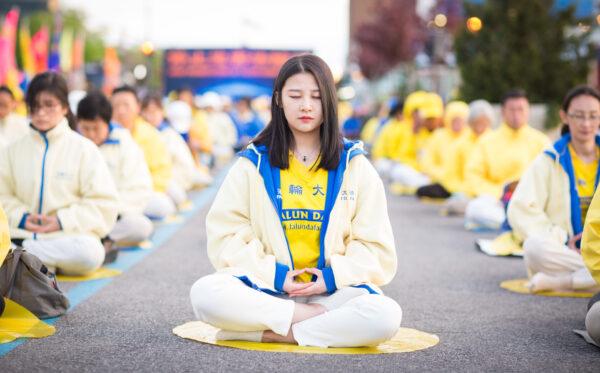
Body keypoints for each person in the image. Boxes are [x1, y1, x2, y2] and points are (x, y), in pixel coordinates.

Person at [189, 54, 401, 348]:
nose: (306, 105)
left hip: (334, 293)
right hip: (266, 288)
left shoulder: (354, 165)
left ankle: (274, 332)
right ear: (278, 99)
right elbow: (226, 236)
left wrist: (329, 278)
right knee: (205, 293)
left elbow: (376, 247)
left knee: (386, 316)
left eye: (316, 96)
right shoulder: (254, 163)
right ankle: (311, 320)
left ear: (329, 101)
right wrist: (276, 277)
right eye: (295, 95)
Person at [0, 72, 118, 275]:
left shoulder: (84, 149)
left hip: (65, 236)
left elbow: (103, 204)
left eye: (49, 105)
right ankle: (32, 262)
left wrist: (61, 221)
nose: (41, 113)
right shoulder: (12, 150)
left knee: (91, 253)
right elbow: (3, 196)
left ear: (64, 107)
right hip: (19, 232)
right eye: (35, 106)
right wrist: (21, 217)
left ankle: (22, 260)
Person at [508, 86, 600, 292]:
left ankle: (565, 282)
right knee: (533, 249)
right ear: (564, 116)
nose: (586, 124)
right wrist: (563, 239)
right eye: (578, 116)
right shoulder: (550, 158)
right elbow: (521, 207)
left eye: (593, 116)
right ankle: (589, 279)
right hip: (564, 250)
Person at [464, 89, 549, 230]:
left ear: (528, 111)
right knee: (475, 208)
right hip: (498, 201)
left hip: (531, 202)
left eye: (521, 109)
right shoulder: (486, 141)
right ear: (503, 112)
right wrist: (499, 192)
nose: (516, 115)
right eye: (512, 110)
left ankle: (520, 224)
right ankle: (519, 224)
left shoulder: (541, 141)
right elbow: (473, 176)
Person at [77, 91, 154, 246]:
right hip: (81, 216)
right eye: (86, 128)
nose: (91, 134)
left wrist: (107, 209)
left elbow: (139, 188)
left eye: (96, 128)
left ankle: (99, 240)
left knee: (141, 226)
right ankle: (95, 242)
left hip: (113, 214)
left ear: (108, 123)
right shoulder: (74, 143)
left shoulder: (124, 142)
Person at [111, 85, 176, 219]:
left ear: (138, 107)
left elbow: (162, 171)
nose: (121, 111)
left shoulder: (150, 134)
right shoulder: (106, 134)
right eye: (116, 106)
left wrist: (141, 192)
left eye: (126, 105)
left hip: (143, 192)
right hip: (115, 195)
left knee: (163, 206)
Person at [141, 95, 212, 197]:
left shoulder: (169, 133)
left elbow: (186, 163)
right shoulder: (143, 133)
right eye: (147, 112)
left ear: (162, 112)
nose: (150, 116)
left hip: (176, 177)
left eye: (155, 111)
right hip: (160, 180)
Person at [416, 101, 470, 199]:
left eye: (460, 120)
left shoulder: (470, 137)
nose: (457, 124)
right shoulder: (438, 135)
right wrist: (440, 174)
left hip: (464, 183)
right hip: (441, 181)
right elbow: (427, 161)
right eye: (454, 120)